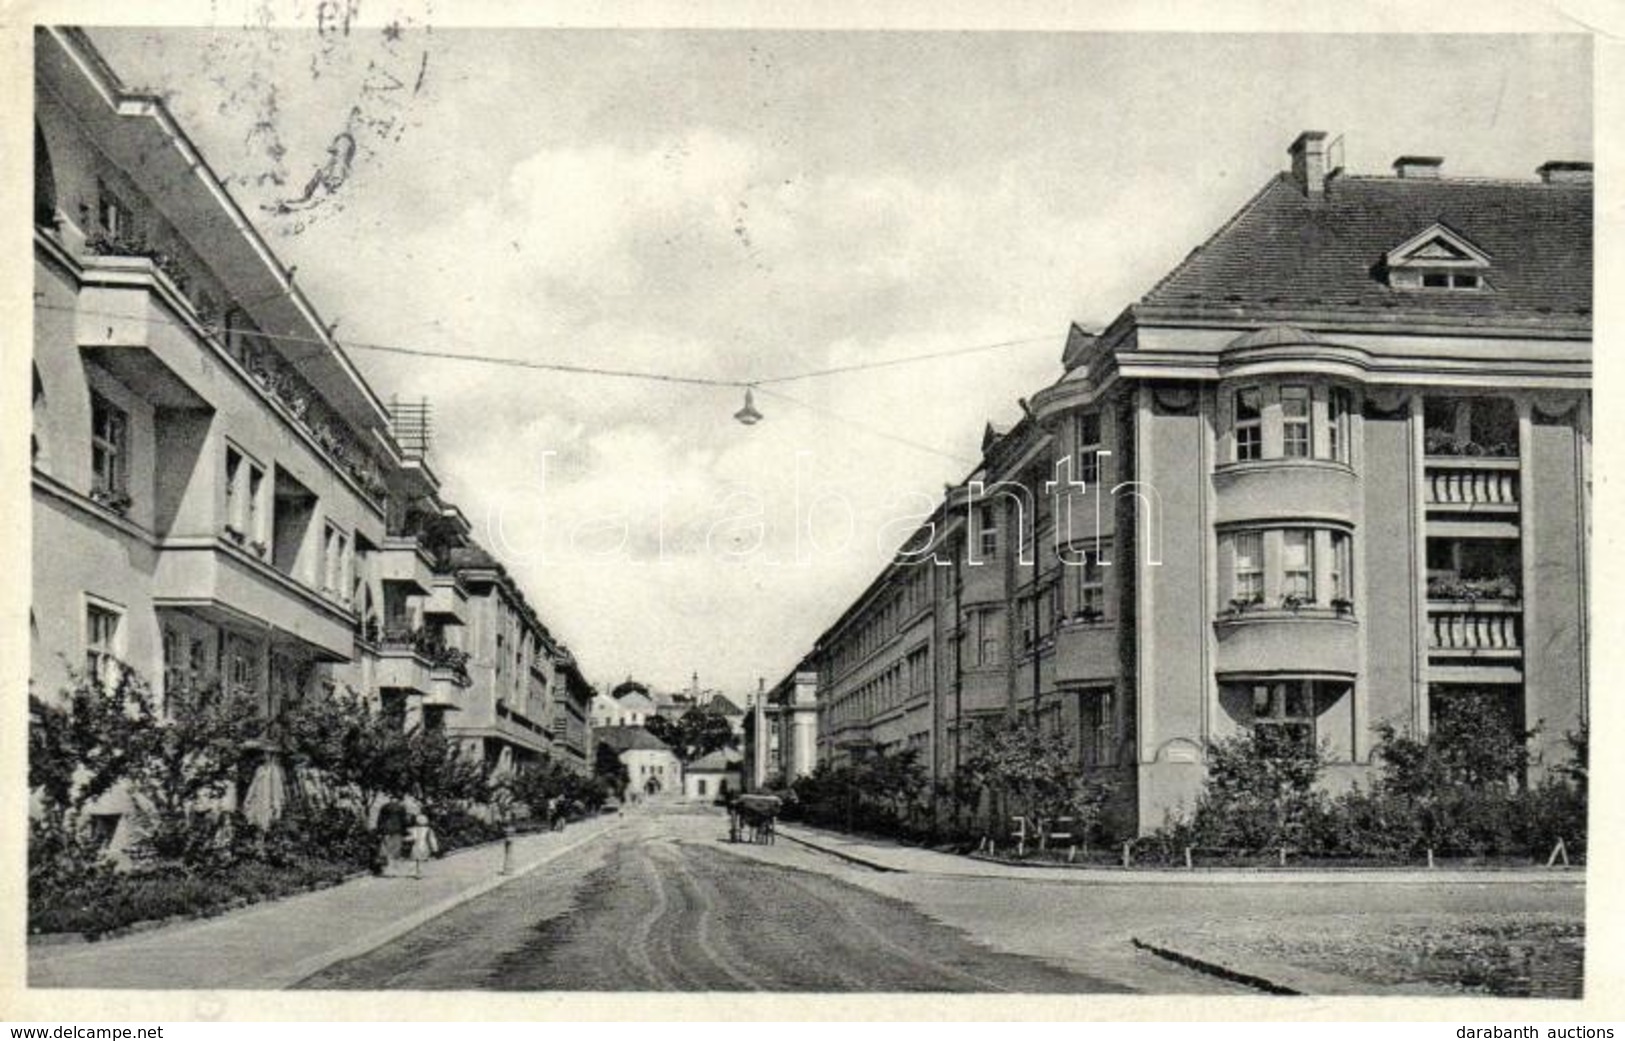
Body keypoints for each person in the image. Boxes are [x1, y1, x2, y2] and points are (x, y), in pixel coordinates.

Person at [375, 797, 409, 877]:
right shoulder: (401, 808)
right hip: (397, 830)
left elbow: (380, 820)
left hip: (385, 831)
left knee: (386, 850)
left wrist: (379, 831)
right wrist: (405, 832)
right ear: (397, 799)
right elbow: (404, 821)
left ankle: (386, 870)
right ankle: (393, 870)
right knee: (395, 850)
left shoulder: (384, 807)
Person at [406, 813, 438, 879]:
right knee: (421, 861)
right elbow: (432, 839)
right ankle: (420, 873)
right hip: (424, 846)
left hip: (415, 846)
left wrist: (405, 839)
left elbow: (412, 837)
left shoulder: (413, 829)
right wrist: (435, 848)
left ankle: (413, 872)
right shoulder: (428, 830)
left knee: (415, 860)